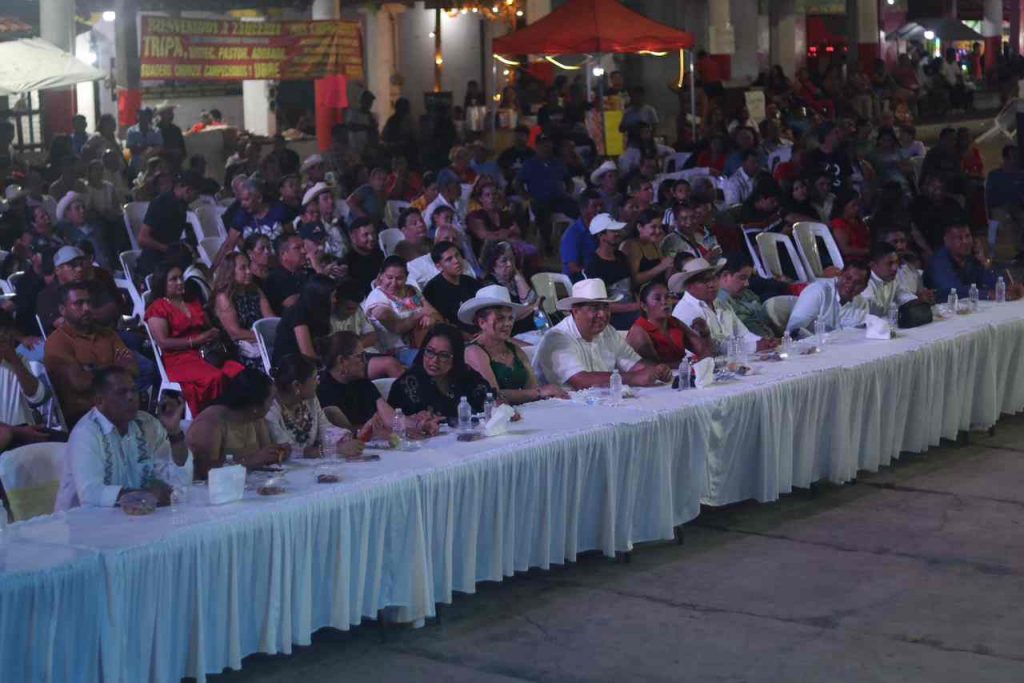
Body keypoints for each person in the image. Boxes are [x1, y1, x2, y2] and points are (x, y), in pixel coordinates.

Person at [55, 366, 190, 510]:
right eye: (121, 392)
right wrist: (144, 495)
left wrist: (174, 433)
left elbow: (178, 478)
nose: (131, 397)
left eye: (134, 390)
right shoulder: (86, 433)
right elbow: (90, 494)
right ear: (99, 400)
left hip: (135, 517)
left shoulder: (147, 424)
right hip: (82, 520)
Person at [145, 263, 245, 416]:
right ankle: (215, 418)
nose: (180, 282)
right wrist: (195, 341)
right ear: (162, 283)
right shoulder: (158, 308)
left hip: (205, 352)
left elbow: (206, 326)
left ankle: (238, 414)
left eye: (181, 278)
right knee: (214, 377)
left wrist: (211, 332)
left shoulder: (191, 301)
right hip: (178, 358)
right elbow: (163, 342)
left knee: (237, 370)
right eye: (174, 279)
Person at [533, 278, 671, 388]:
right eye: (595, 308)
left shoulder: (608, 331)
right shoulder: (558, 337)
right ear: (575, 311)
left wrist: (657, 371)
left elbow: (633, 364)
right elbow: (580, 380)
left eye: (606, 307)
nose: (603, 314)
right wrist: (634, 378)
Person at [43, 281, 139, 426]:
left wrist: (92, 371)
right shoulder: (57, 342)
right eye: (79, 303)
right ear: (63, 310)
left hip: (120, 407)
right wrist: (116, 367)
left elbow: (133, 369)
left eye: (89, 302)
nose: (87, 308)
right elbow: (80, 383)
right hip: (84, 417)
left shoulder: (107, 334)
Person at [460, 285, 566, 403]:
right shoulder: (474, 351)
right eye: (500, 318)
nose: (508, 324)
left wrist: (540, 393)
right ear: (482, 323)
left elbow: (533, 388)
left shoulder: (515, 350)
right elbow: (493, 396)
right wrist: (539, 392)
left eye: (510, 318)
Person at [185, 369, 291, 480]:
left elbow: (264, 455)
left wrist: (277, 454)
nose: (272, 405)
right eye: (270, 400)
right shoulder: (210, 423)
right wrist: (249, 461)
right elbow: (203, 471)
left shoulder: (256, 419)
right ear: (255, 406)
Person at [264, 354, 364, 458]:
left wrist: (348, 437)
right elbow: (287, 450)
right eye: (314, 378)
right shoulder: (271, 410)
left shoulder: (310, 399)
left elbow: (325, 428)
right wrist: (334, 450)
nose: (318, 382)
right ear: (296, 385)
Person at [670, 258, 776, 353]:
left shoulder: (720, 303)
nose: (712, 284)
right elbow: (714, 347)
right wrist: (754, 346)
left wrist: (762, 341)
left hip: (734, 360)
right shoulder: (685, 311)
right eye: (704, 281)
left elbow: (743, 333)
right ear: (689, 286)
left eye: (713, 278)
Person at [387, 323, 492, 419]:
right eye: (429, 351)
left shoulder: (466, 375)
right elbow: (394, 423)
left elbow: (490, 402)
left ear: (456, 358)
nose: (434, 360)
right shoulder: (406, 385)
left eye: (443, 355)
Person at [364, 256, 443, 366]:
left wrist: (431, 318)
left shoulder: (412, 290)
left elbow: (435, 314)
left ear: (406, 277)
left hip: (427, 341)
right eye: (389, 277)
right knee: (433, 361)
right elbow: (397, 327)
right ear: (381, 276)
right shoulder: (377, 298)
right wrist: (421, 314)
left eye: (399, 278)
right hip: (398, 351)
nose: (394, 283)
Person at [926, 222, 1024, 300]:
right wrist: (989, 294)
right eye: (959, 238)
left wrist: (1008, 287)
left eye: (968, 236)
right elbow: (952, 290)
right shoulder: (939, 260)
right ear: (947, 241)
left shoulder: (972, 258)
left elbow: (990, 281)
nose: (965, 241)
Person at [211, 252, 274, 371]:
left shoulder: (255, 289)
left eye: (248, 266)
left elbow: (270, 318)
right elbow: (235, 333)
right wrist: (265, 336)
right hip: (242, 347)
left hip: (263, 338)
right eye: (243, 268)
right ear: (231, 272)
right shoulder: (224, 297)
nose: (249, 271)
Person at [627, 281, 712, 364]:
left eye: (667, 297)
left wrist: (705, 334)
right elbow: (655, 367)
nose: (664, 302)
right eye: (657, 299)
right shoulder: (639, 331)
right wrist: (690, 363)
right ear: (644, 306)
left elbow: (704, 352)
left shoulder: (674, 322)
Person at [136, 172, 202, 277]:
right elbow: (142, 238)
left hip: (170, 259)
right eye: (196, 194)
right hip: (154, 262)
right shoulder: (161, 203)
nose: (196, 198)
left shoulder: (181, 207)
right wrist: (167, 249)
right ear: (188, 190)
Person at [584, 213, 640, 330]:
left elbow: (632, 287)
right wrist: (634, 307)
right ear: (601, 235)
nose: (618, 233)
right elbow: (599, 304)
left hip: (632, 309)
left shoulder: (621, 256)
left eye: (617, 230)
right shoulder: (593, 265)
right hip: (612, 317)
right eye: (613, 231)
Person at [786, 261, 871, 334]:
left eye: (858, 283)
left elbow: (857, 336)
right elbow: (793, 331)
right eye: (848, 278)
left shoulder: (861, 304)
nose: (851, 285)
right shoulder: (818, 291)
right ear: (840, 275)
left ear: (864, 288)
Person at [271, 274, 336, 366]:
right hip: (290, 365)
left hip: (309, 362)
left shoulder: (318, 313)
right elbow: (307, 354)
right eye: (332, 296)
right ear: (321, 298)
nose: (335, 300)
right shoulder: (298, 313)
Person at [479, 240, 538, 336]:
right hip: (511, 334)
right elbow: (507, 316)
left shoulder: (515, 277)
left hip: (530, 330)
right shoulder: (490, 285)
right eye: (504, 261)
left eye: (511, 259)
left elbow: (531, 300)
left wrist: (518, 277)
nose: (510, 264)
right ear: (492, 264)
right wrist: (531, 307)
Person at [422, 241, 481, 332]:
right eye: (449, 259)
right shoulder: (431, 291)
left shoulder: (471, 282)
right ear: (439, 267)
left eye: (457, 255)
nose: (456, 261)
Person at [860, 241, 931, 317]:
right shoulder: (863, 282)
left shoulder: (890, 279)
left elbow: (903, 296)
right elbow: (874, 312)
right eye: (889, 263)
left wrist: (919, 300)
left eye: (896, 262)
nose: (895, 268)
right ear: (872, 265)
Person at [716, 253, 779, 338]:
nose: (747, 284)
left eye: (748, 278)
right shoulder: (719, 302)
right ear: (725, 276)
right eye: (742, 278)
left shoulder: (746, 293)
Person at [55, 192, 115, 270]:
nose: (82, 211)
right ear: (67, 213)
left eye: (83, 207)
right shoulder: (66, 235)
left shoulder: (98, 227)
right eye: (77, 208)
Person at [985, 145, 1024, 258]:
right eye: (1013, 156)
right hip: (999, 208)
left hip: (1017, 207)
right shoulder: (994, 175)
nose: (1015, 159)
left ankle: (1020, 250)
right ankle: (992, 253)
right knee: (997, 222)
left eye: (1016, 156)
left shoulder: (1021, 175)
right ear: (1005, 158)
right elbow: (988, 197)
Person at [621, 208, 672, 288]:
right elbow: (633, 280)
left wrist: (670, 266)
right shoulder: (631, 245)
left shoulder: (655, 244)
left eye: (660, 227)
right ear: (639, 227)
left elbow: (664, 275)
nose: (658, 231)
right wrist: (660, 267)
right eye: (653, 227)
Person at [560, 190, 603, 280]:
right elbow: (573, 268)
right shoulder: (572, 234)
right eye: (595, 206)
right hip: (577, 281)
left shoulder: (600, 230)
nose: (599, 210)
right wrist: (595, 276)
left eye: (601, 206)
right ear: (583, 209)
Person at [264, 234, 308, 314]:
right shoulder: (274, 280)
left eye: (303, 246)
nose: (304, 251)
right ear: (283, 254)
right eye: (297, 248)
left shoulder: (308, 272)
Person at [343, 217, 385, 297]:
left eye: (373, 233)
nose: (371, 238)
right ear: (353, 237)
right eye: (365, 235)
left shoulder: (379, 254)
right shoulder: (348, 263)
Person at [829, 190, 870, 260]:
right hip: (851, 261)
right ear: (843, 206)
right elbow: (845, 250)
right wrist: (867, 251)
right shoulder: (839, 223)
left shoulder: (859, 222)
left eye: (858, 205)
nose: (857, 208)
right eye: (853, 205)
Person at [125, 107, 163, 177]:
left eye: (145, 115)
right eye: (140, 115)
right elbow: (130, 149)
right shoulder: (131, 131)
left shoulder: (156, 131)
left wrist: (141, 148)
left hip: (152, 164)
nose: (142, 117)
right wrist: (148, 147)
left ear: (150, 117)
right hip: (136, 164)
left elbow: (158, 148)